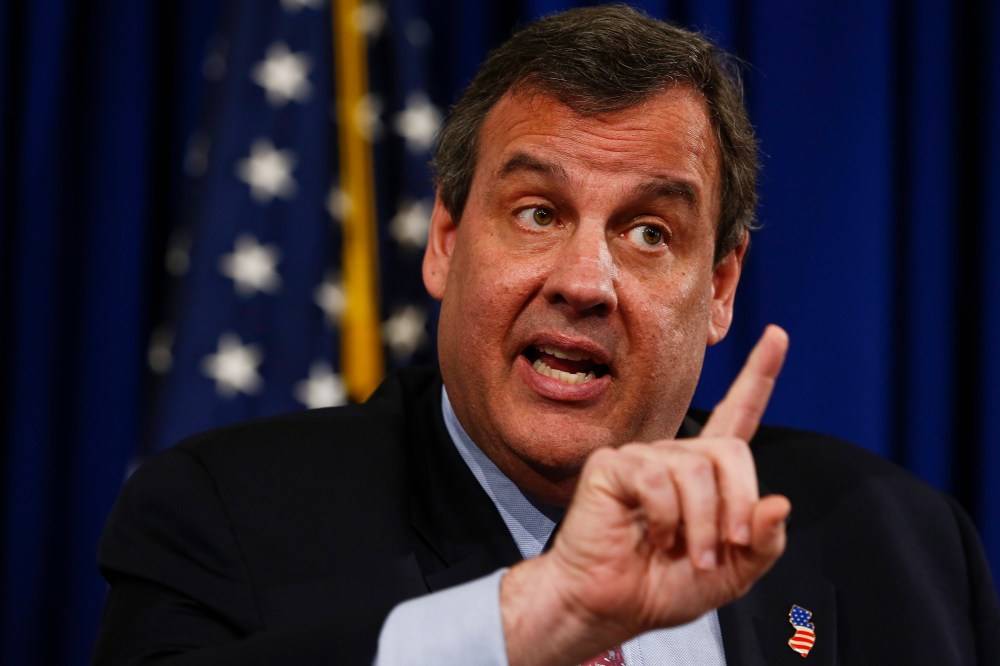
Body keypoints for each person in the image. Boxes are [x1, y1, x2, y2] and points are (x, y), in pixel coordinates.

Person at [94, 5, 999, 665]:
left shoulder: (903, 546)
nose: (584, 281)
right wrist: (528, 618)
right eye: (536, 212)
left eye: (651, 232)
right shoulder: (227, 519)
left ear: (720, 287)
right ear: (446, 242)